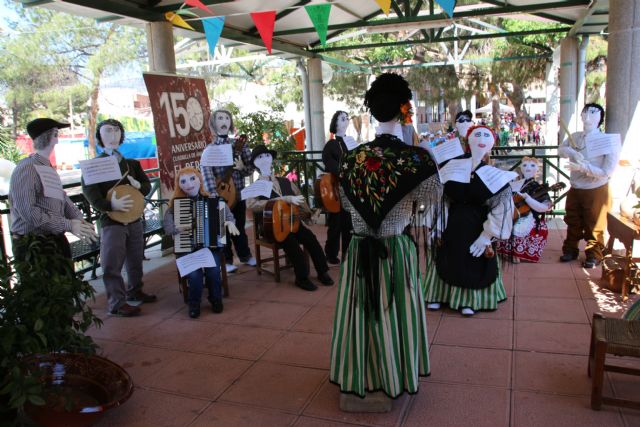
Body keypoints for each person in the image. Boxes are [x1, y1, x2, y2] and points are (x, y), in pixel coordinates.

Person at [330, 73, 441, 401]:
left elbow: (348, 205)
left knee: (360, 311)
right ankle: (394, 373)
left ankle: (360, 372)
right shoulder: (417, 159)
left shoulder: (351, 159)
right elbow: (431, 199)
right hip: (396, 250)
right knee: (396, 309)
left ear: (371, 110)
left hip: (359, 249)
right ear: (405, 109)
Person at [425, 125, 514, 316]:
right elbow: (443, 199)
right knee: (447, 256)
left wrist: (487, 234)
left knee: (474, 258)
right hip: (453, 222)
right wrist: (438, 225)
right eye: (477, 134)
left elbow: (501, 206)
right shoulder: (453, 167)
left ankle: (470, 299)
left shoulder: (495, 175)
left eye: (486, 135)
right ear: (467, 140)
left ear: (492, 143)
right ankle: (439, 294)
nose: (481, 138)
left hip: (478, 224)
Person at [82, 119, 155, 317]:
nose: (112, 135)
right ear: (99, 137)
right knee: (111, 263)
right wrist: (110, 206)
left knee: (135, 258)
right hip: (111, 221)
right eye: (107, 131)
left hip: (134, 218)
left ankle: (135, 290)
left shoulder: (132, 164)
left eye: (116, 131)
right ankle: (116, 302)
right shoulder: (93, 166)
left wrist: (138, 186)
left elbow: (147, 187)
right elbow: (91, 194)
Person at [247, 144, 334, 291]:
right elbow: (252, 205)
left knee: (311, 239)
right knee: (292, 245)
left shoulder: (285, 181)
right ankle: (302, 278)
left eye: (267, 155)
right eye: (260, 157)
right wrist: (281, 200)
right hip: (272, 227)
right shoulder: (256, 186)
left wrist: (308, 213)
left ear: (272, 159)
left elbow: (299, 198)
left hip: (291, 222)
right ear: (255, 163)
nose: (265, 159)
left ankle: (322, 271)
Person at [9, 118, 97, 262]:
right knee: (43, 284)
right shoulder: (27, 168)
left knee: (67, 281)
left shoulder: (46, 167)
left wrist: (80, 221)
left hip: (54, 239)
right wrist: (69, 224)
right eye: (56, 133)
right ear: (54, 136)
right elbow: (27, 211)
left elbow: (61, 197)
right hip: (33, 246)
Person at [163, 167, 239, 318]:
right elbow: (167, 225)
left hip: (210, 247)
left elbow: (228, 215)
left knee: (213, 272)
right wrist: (176, 228)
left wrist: (230, 222)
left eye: (192, 179)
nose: (189, 184)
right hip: (187, 248)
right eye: (183, 181)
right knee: (195, 275)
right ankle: (194, 303)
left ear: (199, 180)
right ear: (179, 184)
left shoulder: (214, 199)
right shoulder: (176, 205)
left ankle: (215, 299)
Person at [558, 103, 621, 268]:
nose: (587, 116)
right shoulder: (576, 136)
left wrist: (584, 167)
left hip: (596, 188)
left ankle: (594, 254)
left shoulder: (607, 141)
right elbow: (561, 149)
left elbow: (607, 171)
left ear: (600, 118)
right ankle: (570, 249)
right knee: (572, 219)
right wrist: (571, 152)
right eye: (585, 112)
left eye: (593, 113)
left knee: (595, 223)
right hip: (575, 187)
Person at [201, 109, 255, 273]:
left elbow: (250, 169)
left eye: (226, 118)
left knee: (239, 226)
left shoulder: (239, 145)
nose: (224, 121)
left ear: (230, 123)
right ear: (214, 123)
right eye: (220, 118)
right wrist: (215, 195)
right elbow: (206, 172)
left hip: (238, 194)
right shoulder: (210, 149)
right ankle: (227, 260)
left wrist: (242, 167)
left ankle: (245, 255)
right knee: (223, 229)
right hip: (220, 195)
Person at [496, 157, 552, 263]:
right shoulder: (517, 182)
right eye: (525, 165)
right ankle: (504, 251)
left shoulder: (538, 187)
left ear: (537, 169)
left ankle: (516, 253)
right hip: (513, 211)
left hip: (529, 215)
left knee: (519, 226)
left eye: (532, 165)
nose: (528, 168)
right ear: (521, 167)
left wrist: (528, 198)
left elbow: (544, 207)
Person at [321, 110, 353, 264]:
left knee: (349, 223)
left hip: (349, 188)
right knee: (336, 224)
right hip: (335, 189)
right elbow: (330, 164)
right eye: (342, 118)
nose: (346, 120)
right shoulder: (331, 144)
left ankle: (348, 253)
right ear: (335, 123)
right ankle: (331, 254)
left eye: (347, 118)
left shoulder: (351, 142)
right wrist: (343, 171)